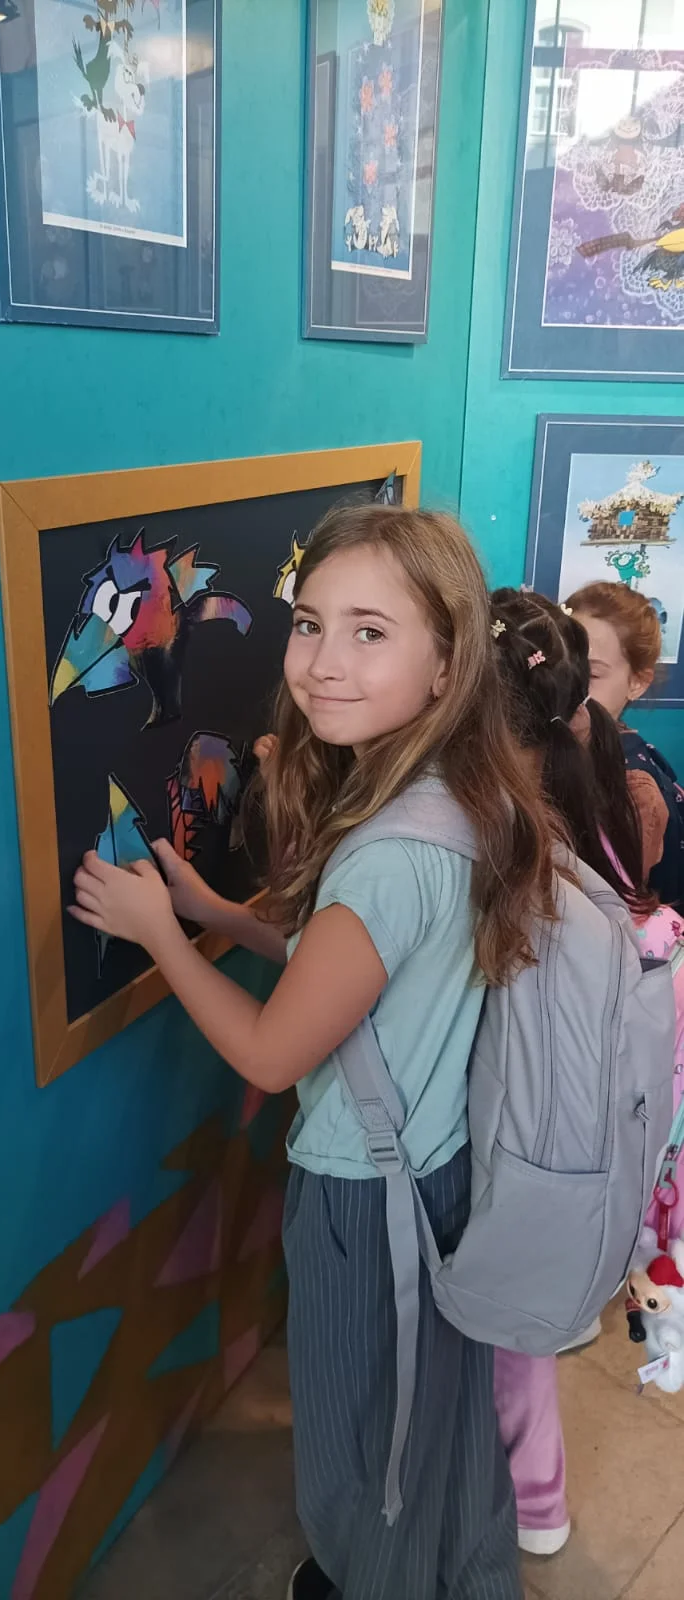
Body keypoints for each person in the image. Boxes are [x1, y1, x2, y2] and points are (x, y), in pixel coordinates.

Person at [72, 503, 559, 1600]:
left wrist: (160, 935)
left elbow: (270, 1051)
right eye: (309, 623)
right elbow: (342, 963)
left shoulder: (385, 855)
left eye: (369, 632)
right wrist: (215, 912)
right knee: (429, 1421)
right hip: (434, 1171)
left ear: (447, 664)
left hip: (364, 1204)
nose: (323, 663)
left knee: (360, 1445)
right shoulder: (454, 792)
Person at [488, 587, 656, 1558]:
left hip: (537, 1146)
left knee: (508, 1341)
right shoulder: (601, 797)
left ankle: (536, 1503)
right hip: (585, 1150)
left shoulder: (532, 853)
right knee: (525, 1329)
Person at [568, 582, 683, 909]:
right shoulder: (557, 748)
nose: (570, 685)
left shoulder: (633, 787)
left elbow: (615, 914)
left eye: (592, 674)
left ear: (637, 682)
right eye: (564, 666)